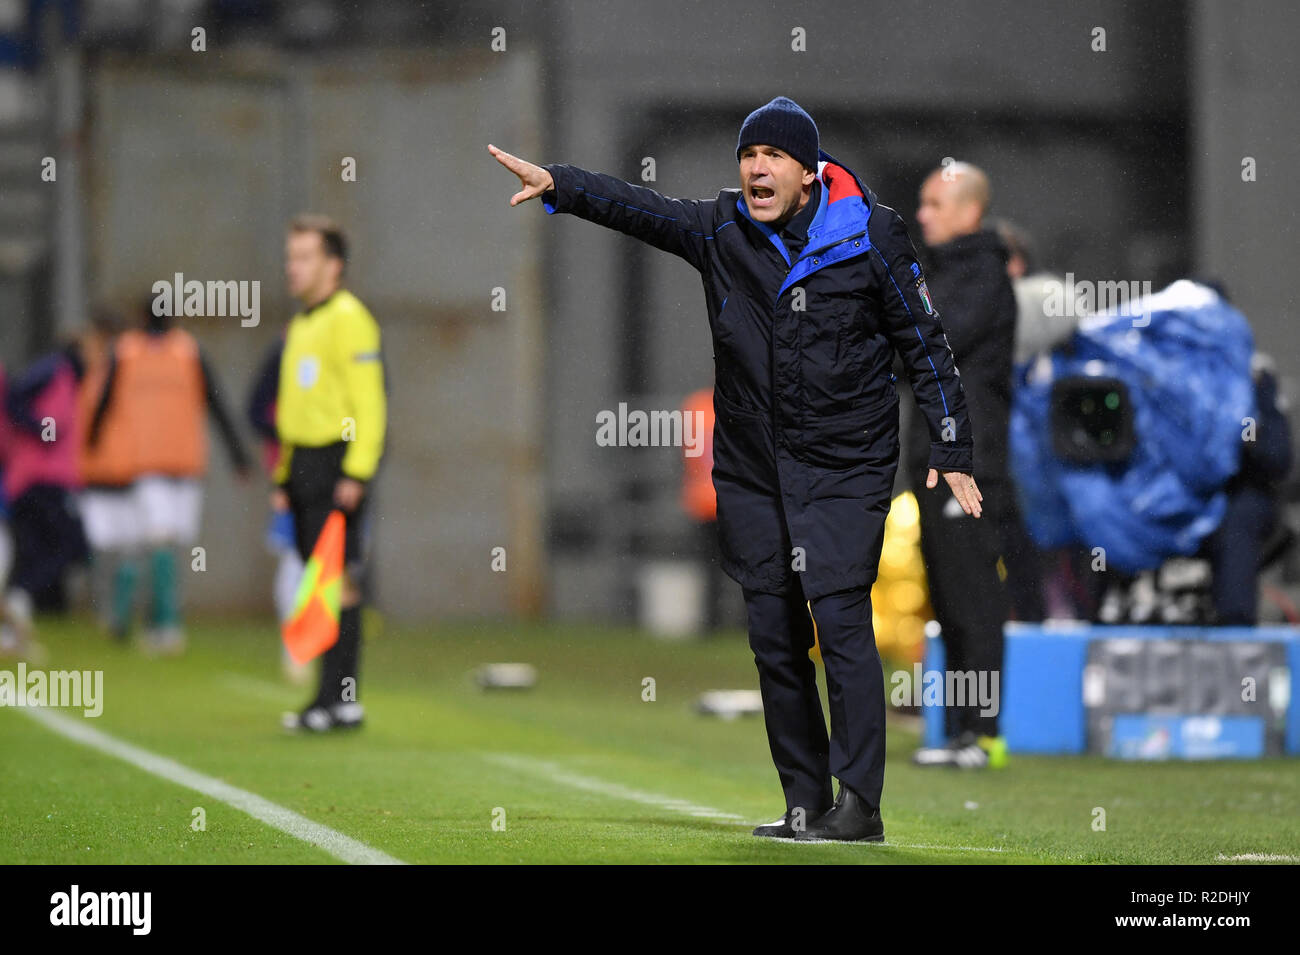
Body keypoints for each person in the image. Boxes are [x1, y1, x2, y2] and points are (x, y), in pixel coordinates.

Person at [491, 96, 981, 842]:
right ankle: (804, 799)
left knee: (841, 620)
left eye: (773, 156)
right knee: (773, 635)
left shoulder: (872, 233)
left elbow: (926, 341)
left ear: (809, 172)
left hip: (845, 465)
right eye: (748, 156)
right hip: (754, 468)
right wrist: (559, 184)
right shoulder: (721, 228)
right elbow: (640, 208)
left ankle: (860, 806)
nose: (757, 167)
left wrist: (951, 444)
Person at [906, 162, 1019, 769]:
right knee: (948, 598)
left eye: (935, 204)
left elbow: (929, 342)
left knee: (975, 596)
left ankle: (985, 734)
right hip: (933, 462)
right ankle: (956, 733)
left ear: (969, 211)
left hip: (967, 466)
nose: (923, 214)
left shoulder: (981, 275)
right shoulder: (945, 273)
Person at [275, 215, 386, 733]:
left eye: (303, 257)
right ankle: (338, 701)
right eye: (290, 256)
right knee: (320, 582)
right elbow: (293, 410)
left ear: (333, 265)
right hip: (303, 465)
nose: (292, 267)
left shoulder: (350, 317)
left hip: (337, 463)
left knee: (334, 583)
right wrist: (282, 475)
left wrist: (357, 471)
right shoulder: (302, 323)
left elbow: (370, 403)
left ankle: (333, 699)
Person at [88, 301, 251, 654]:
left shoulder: (185, 352)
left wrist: (238, 454)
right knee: (160, 540)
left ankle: (130, 613)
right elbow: (104, 402)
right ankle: (163, 624)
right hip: (149, 466)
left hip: (182, 465)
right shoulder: (132, 351)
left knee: (169, 544)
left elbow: (215, 401)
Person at [2, 341, 92, 656]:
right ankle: (18, 601)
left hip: (42, 478)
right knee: (69, 545)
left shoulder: (69, 379)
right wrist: (41, 430)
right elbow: (14, 399)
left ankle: (13, 628)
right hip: (37, 478)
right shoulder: (56, 368)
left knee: (32, 552)